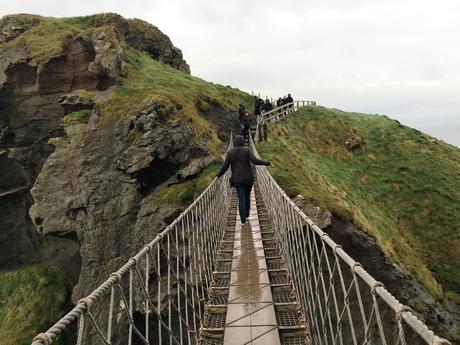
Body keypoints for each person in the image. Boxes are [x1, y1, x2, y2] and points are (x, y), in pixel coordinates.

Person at [217, 135, 270, 225]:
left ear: (234, 143)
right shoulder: (247, 150)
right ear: (242, 142)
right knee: (247, 197)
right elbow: (255, 161)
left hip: (237, 180)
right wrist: (266, 162)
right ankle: (247, 215)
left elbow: (225, 166)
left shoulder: (230, 152)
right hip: (248, 178)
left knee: (241, 198)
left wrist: (218, 175)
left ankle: (243, 221)